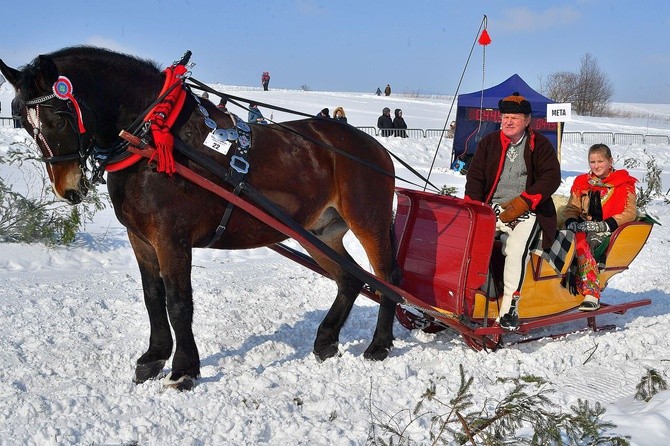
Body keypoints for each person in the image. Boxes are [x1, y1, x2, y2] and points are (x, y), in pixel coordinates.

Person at [464, 92, 561, 330]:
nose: (508, 122)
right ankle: (468, 297)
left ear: (527, 121)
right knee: (468, 244)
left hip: (527, 211)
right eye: (505, 116)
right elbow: (475, 177)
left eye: (514, 117)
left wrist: (524, 202)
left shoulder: (540, 145)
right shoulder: (488, 143)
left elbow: (552, 177)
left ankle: (509, 309)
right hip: (491, 209)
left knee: (516, 249)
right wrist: (476, 206)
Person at [564, 144, 637, 311]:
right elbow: (572, 208)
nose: (596, 166)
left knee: (584, 244)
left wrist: (606, 224)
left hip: (608, 229)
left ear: (610, 161)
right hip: (584, 226)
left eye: (600, 161)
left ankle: (592, 293)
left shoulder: (624, 183)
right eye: (592, 162)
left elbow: (630, 212)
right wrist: (571, 221)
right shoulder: (582, 182)